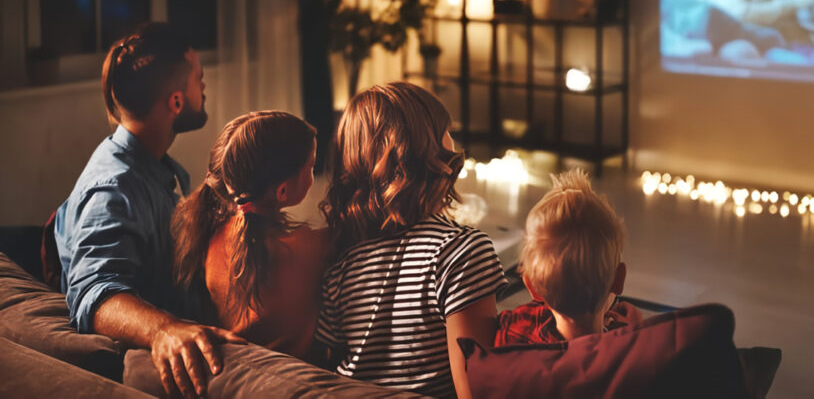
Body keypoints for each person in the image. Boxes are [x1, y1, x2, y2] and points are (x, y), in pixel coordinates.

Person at [54, 22, 243, 398]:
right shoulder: (114, 188)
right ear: (175, 102)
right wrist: (162, 329)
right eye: (199, 79)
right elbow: (95, 291)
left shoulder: (155, 168)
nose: (203, 88)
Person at [315, 82, 507, 399]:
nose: (453, 138)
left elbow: (332, 364)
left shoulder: (342, 264)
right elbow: (476, 387)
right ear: (429, 147)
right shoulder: (462, 251)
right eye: (447, 130)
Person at [172, 111, 327, 361]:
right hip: (291, 375)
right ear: (283, 190)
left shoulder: (212, 235)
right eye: (311, 166)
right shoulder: (309, 247)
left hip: (237, 370)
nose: (312, 174)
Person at [494, 169, 642, 347]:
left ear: (532, 287)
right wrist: (633, 327)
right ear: (619, 279)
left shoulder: (514, 329)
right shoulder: (626, 346)